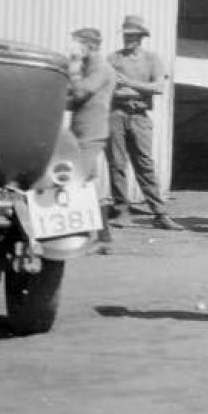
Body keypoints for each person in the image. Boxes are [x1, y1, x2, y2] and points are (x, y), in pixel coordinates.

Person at [106, 14, 183, 231]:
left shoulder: (153, 59)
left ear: (141, 37)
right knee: (116, 164)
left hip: (140, 116)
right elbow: (109, 87)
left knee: (144, 164)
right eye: (126, 35)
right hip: (115, 115)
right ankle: (121, 210)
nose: (128, 39)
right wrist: (139, 88)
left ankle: (159, 213)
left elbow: (158, 87)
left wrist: (128, 84)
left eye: (133, 36)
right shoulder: (112, 59)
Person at [66, 27, 116, 249]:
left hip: (91, 133)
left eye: (79, 44)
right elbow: (73, 100)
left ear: (92, 45)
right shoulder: (89, 68)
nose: (74, 48)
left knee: (76, 179)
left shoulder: (101, 69)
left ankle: (87, 236)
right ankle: (102, 237)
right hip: (81, 132)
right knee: (87, 182)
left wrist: (74, 69)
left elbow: (79, 93)